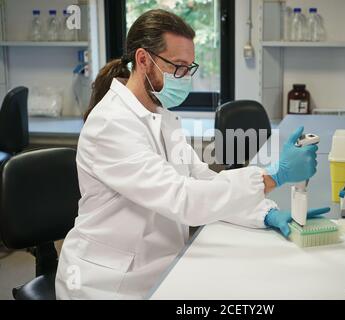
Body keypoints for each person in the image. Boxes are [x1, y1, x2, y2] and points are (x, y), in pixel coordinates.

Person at [55, 9, 328, 300]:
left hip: (159, 266)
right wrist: (273, 176)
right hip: (108, 283)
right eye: (178, 67)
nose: (185, 77)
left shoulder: (159, 114)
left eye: (189, 68)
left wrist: (265, 212)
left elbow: (201, 179)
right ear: (143, 60)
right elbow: (182, 198)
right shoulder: (111, 124)